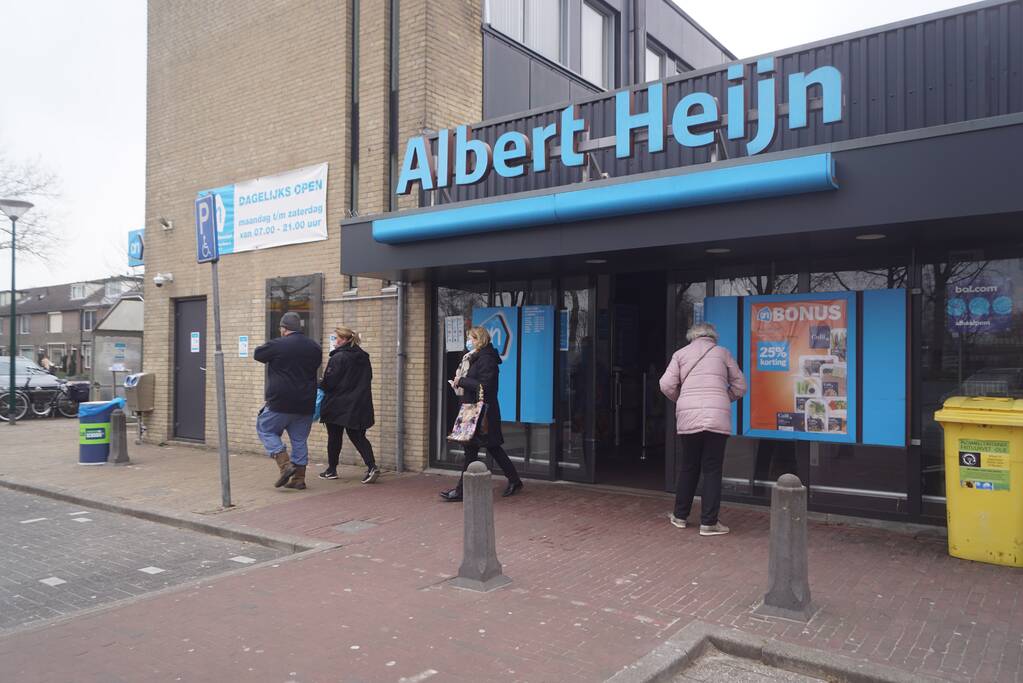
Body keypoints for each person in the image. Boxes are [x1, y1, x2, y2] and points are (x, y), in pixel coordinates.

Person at [659, 322, 746, 536]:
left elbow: (665, 384)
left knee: (689, 466)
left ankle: (680, 516)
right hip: (717, 418)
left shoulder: (680, 354)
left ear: (692, 337)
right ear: (712, 337)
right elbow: (740, 386)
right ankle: (709, 522)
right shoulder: (723, 353)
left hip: (689, 418)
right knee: (712, 469)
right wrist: (724, 398)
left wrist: (683, 399)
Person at [440, 325, 523, 501]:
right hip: (474, 411)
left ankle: (463, 491)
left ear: (480, 340)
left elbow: (485, 386)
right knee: (475, 450)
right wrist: (460, 382)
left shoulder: (486, 359)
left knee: (489, 447)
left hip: (483, 412)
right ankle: (463, 490)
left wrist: (461, 381)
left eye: (471, 338)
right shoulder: (475, 358)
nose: (468, 342)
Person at [253, 311, 322, 490]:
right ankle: (299, 479)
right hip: (306, 403)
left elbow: (258, 354)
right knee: (299, 440)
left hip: (280, 401)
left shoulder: (278, 344)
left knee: (265, 429)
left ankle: (285, 466)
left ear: (284, 328)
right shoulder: (314, 347)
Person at [318, 326, 379, 484]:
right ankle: (372, 466)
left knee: (334, 437)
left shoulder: (338, 358)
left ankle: (332, 470)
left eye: (337, 338)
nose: (335, 341)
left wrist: (320, 383)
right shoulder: (364, 357)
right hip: (360, 403)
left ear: (344, 340)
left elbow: (329, 383)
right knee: (358, 436)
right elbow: (368, 378)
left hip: (338, 404)